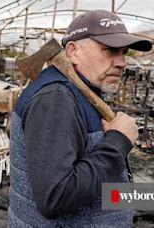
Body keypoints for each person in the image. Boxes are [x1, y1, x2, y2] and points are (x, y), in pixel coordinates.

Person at [8, 10, 152, 227]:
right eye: (110, 50)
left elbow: (97, 193)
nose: (123, 62)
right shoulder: (55, 100)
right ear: (73, 51)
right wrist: (117, 142)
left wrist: (146, 197)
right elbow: (55, 198)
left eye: (123, 52)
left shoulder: (82, 93)